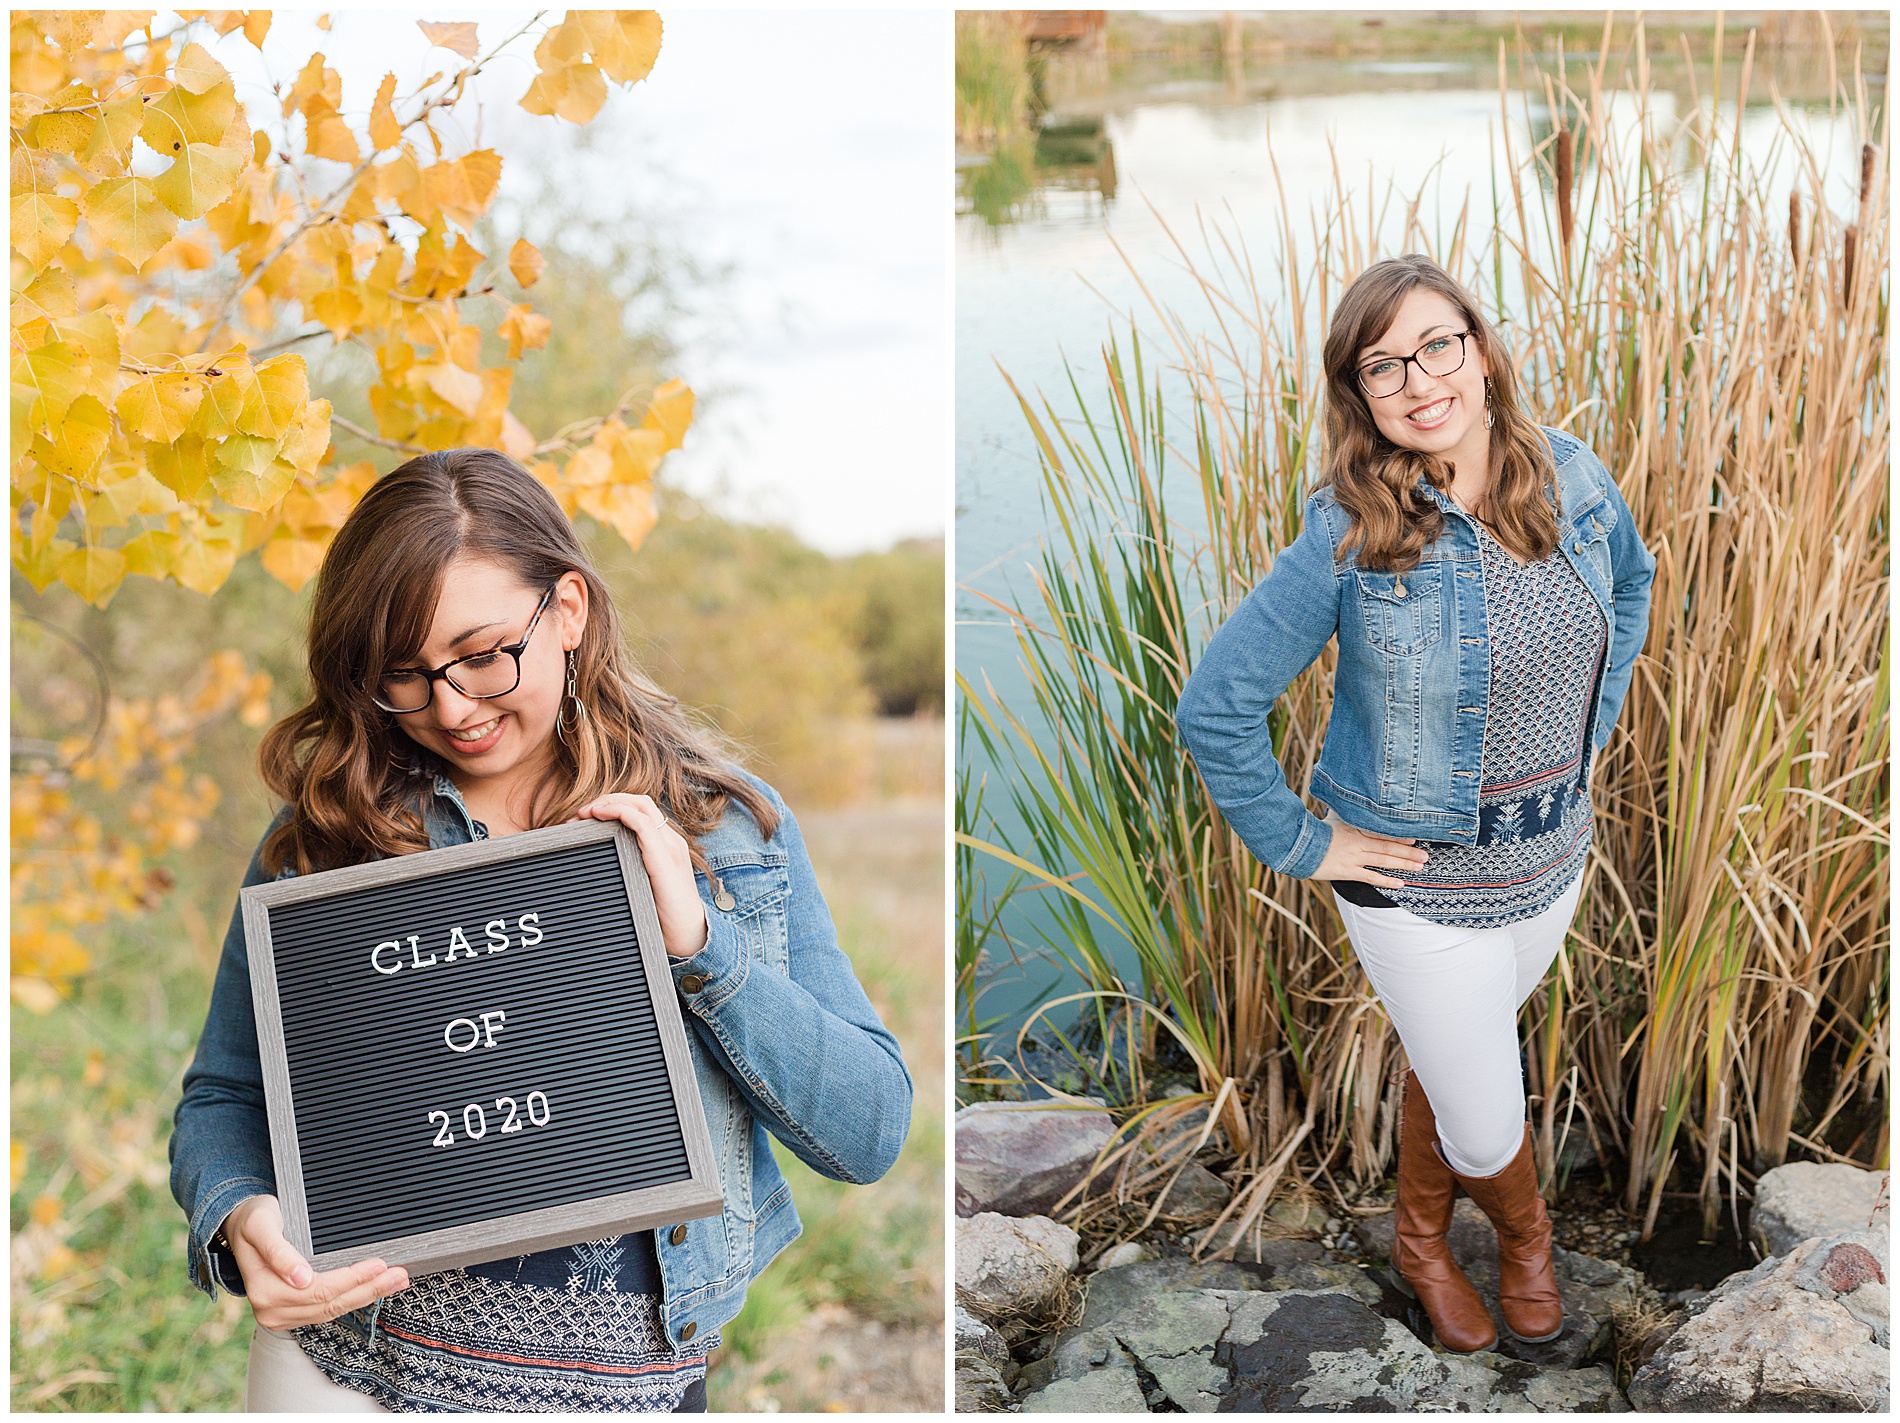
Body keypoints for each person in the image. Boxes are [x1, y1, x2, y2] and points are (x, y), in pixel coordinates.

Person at [169, 449, 914, 1411]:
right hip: (350, 1376)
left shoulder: (726, 831)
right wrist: (238, 1210)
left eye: (482, 655)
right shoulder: (328, 837)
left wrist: (700, 950)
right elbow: (224, 1095)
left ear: (568, 610)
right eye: (404, 674)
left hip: (630, 1390)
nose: (451, 707)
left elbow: (870, 1130)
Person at [1175, 254, 1655, 1354]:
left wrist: (1590, 734)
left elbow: (1630, 584)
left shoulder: (1572, 477)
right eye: (1381, 365)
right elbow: (1214, 709)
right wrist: (1306, 843)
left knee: (1458, 1055)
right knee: (1487, 1108)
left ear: (1479, 350)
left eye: (1436, 344)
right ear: (1361, 396)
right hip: (1414, 887)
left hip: (1550, 860)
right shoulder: (1351, 531)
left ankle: (1420, 1241)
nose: (1417, 379)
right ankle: (1526, 1245)